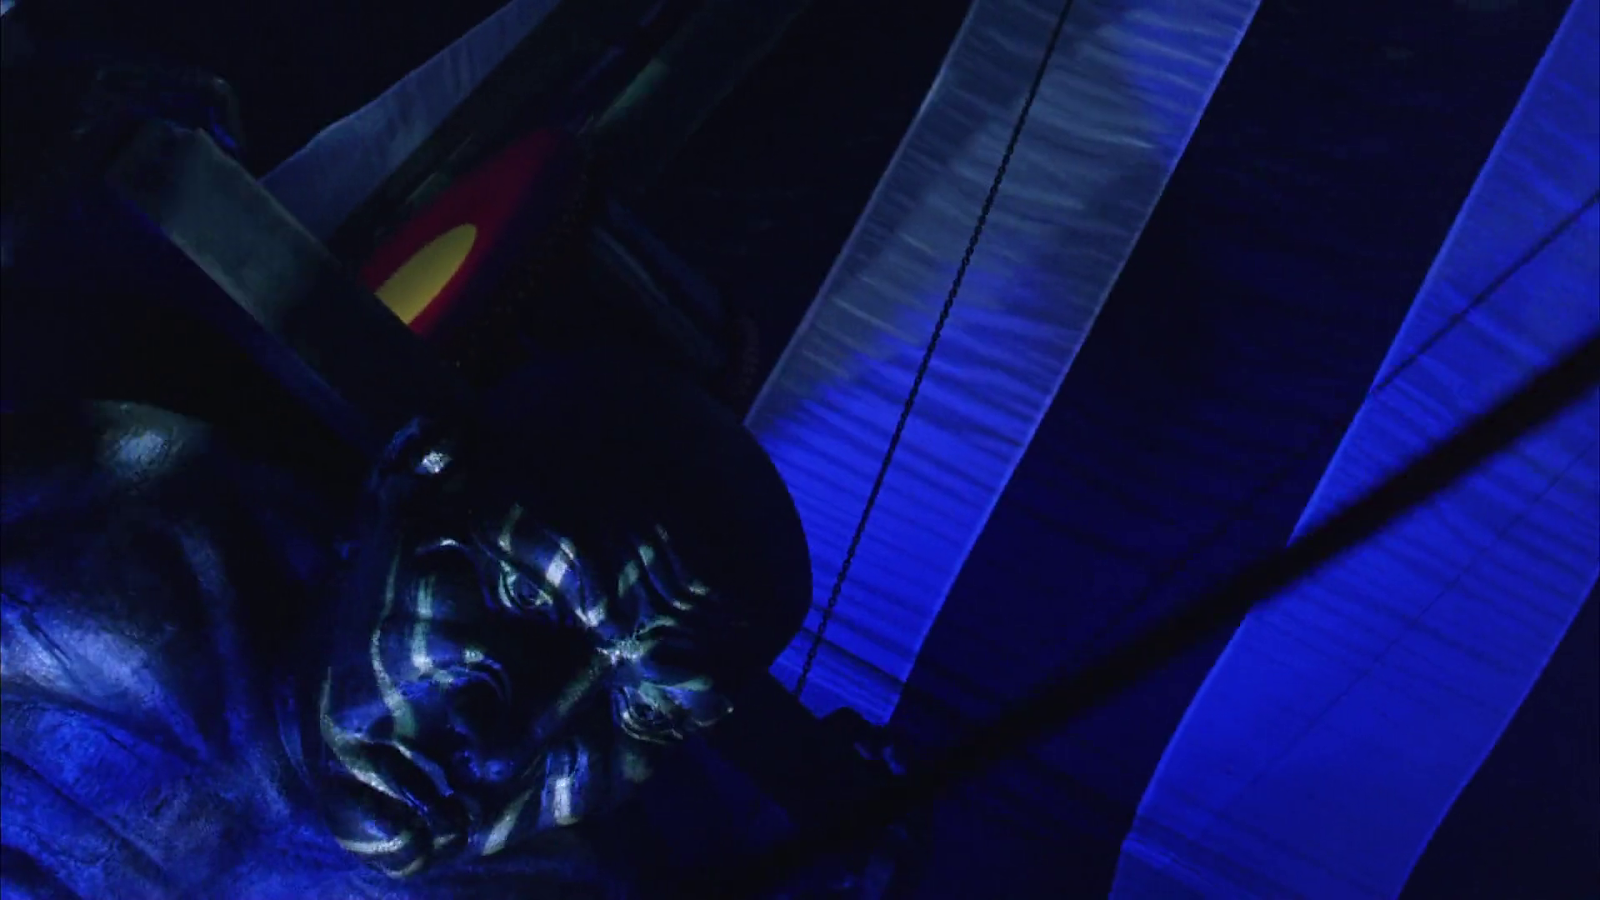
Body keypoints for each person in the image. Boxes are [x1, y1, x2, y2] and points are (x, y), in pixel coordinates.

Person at [0, 342, 813, 898]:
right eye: (528, 596)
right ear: (410, 475)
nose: (504, 753)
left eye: (644, 715)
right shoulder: (112, 523)